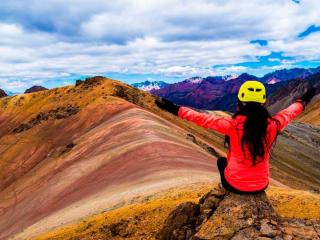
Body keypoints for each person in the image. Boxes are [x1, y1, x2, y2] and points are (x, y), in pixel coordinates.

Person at [155, 81, 316, 194]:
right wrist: (306, 98)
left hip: (235, 185)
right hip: (261, 185)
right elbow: (292, 111)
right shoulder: (274, 124)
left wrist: (173, 108)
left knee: (221, 161)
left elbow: (198, 117)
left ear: (239, 102)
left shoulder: (231, 125)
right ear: (263, 102)